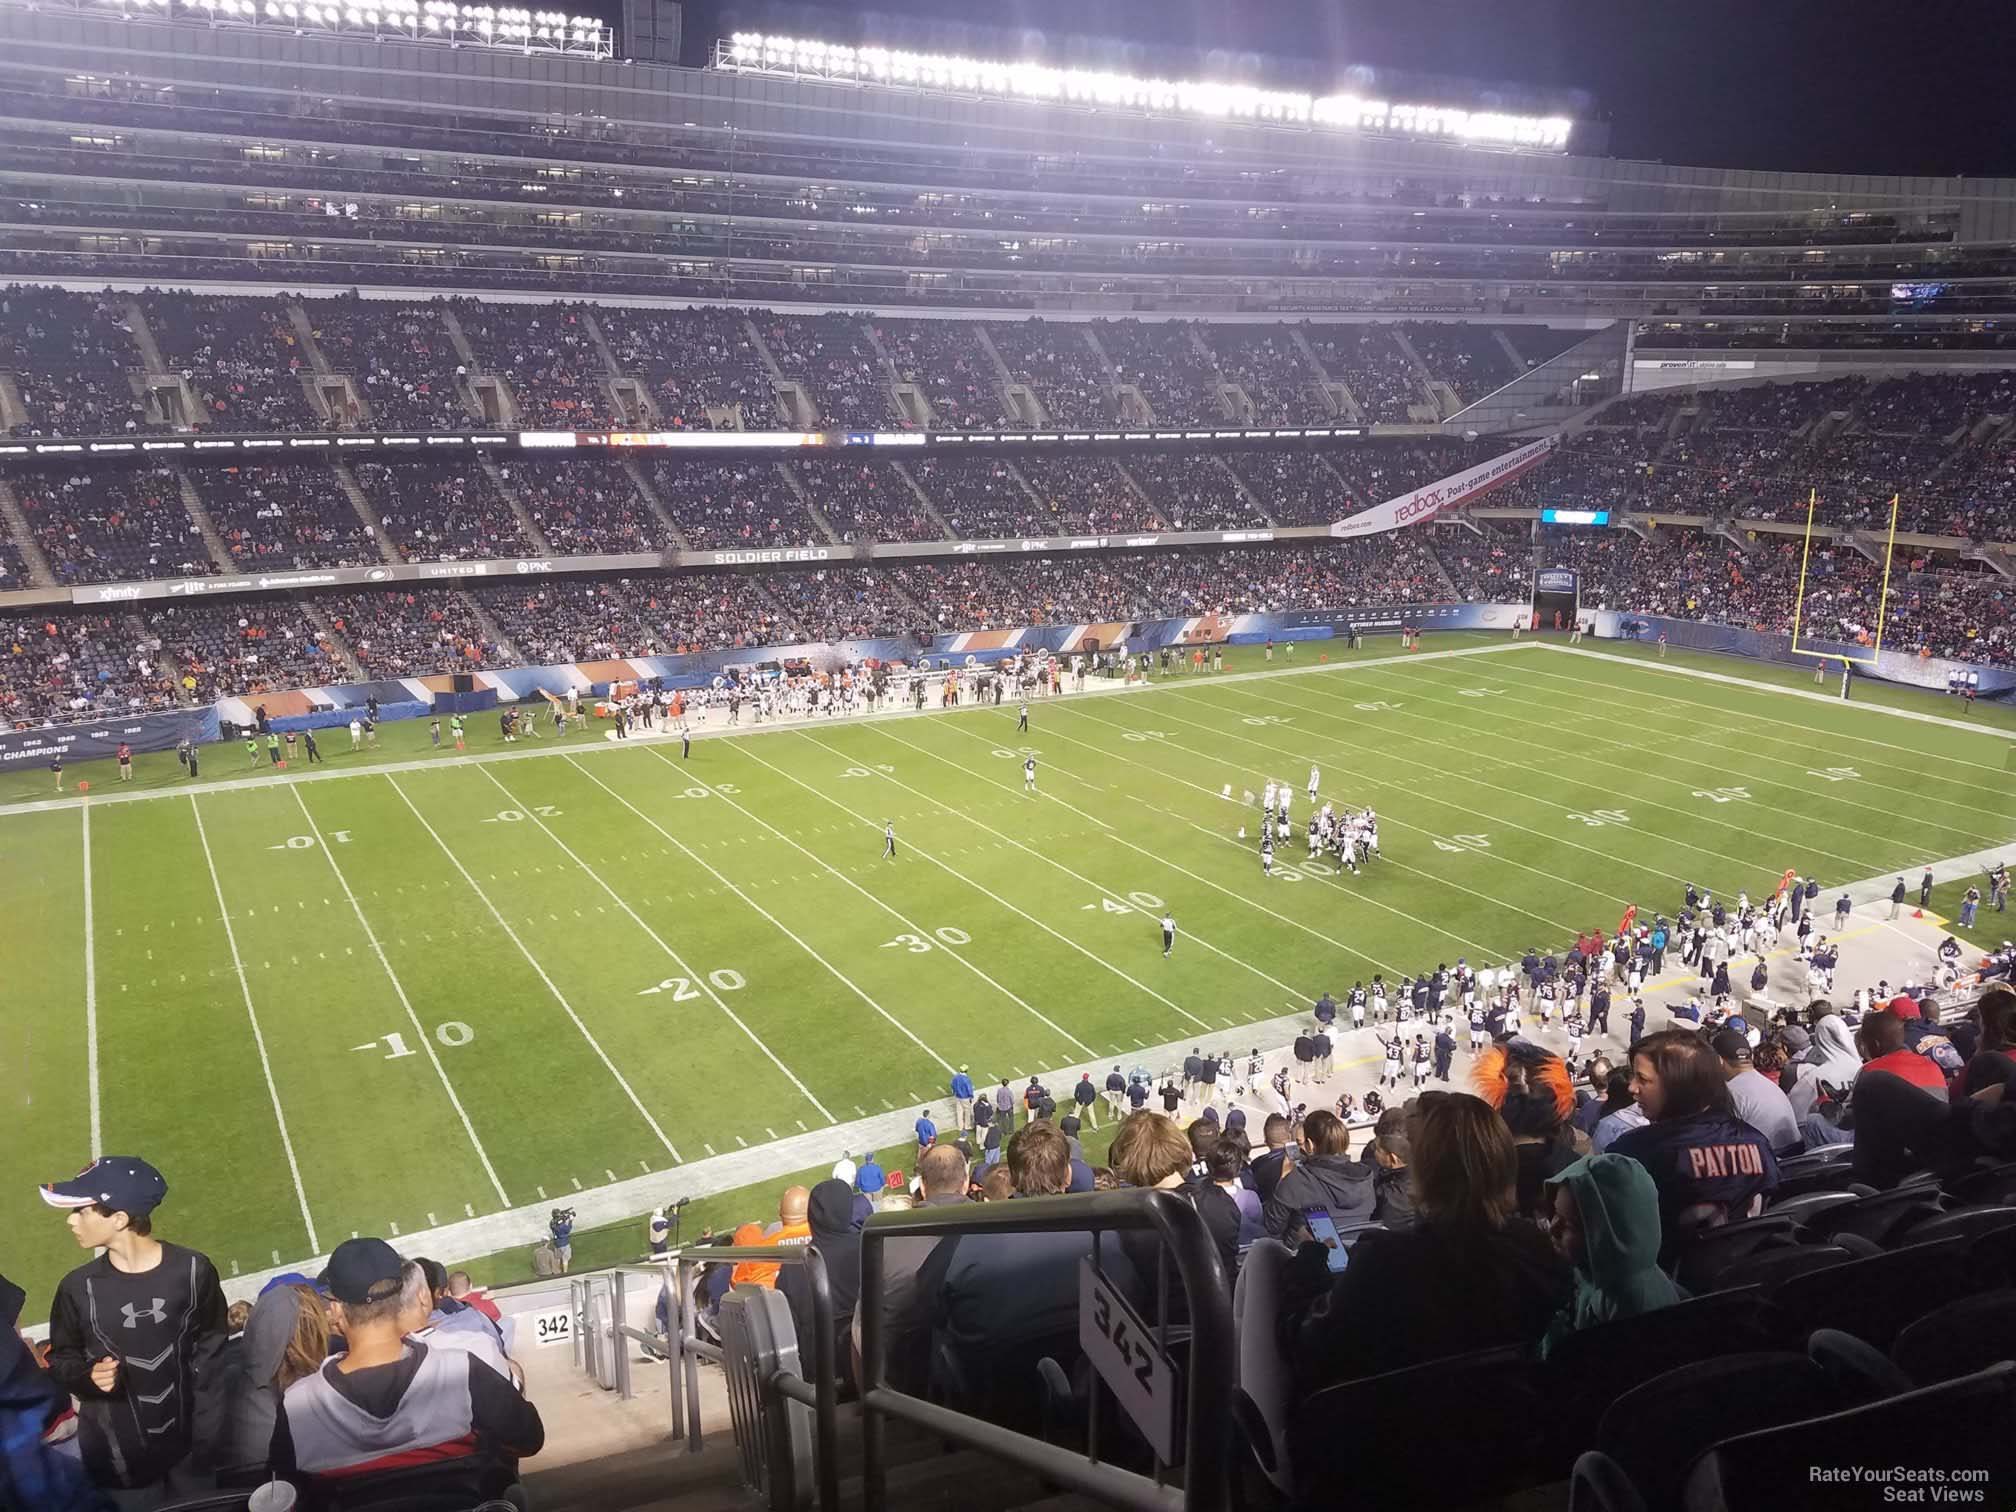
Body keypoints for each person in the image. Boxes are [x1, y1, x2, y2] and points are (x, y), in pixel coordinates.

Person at [1282, 1093, 1572, 1393]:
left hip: (1393, 1428)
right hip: (1510, 1421)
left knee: (1264, 1256)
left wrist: (1307, 1261)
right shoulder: (1539, 1252)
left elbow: (1307, 1344)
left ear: (1427, 1171)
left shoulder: (1384, 1259)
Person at [269, 1238, 543, 1507]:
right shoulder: (462, 1371)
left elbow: (281, 1495)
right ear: (401, 1299)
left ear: (337, 1310)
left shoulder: (297, 1405)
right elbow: (529, 1440)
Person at [40, 1156, 228, 1503]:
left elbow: (213, 1353)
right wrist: (86, 1376)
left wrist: (208, 1437)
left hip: (192, 1453)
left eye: (81, 1210)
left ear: (120, 1219)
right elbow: (61, 1359)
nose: (71, 1220)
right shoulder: (77, 1288)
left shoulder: (193, 1270)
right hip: (119, 1463)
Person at [1609, 1031, 1780, 1260]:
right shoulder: (1758, 1142)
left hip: (1671, 1284)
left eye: (1643, 1079)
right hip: (1743, 1274)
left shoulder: (1634, 1152)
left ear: (1679, 1086)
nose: (1631, 1087)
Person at [850, 1143, 968, 1394]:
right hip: (980, 1381)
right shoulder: (1001, 1225)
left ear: (923, 1187)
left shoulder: (884, 1241)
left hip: (906, 1386)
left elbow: (862, 1331)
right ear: (966, 1183)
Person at [1539, 1153, 1683, 1358]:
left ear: (1612, 1233)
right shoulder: (1592, 1276)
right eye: (1554, 1214)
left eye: (1569, 1224)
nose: (1553, 1228)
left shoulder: (1630, 1305)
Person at [777, 1181, 862, 1393]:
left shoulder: (793, 1266)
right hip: (870, 1365)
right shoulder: (870, 1247)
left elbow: (789, 1329)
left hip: (820, 1375)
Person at [1261, 1109, 1373, 1239]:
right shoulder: (1367, 1175)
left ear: (1309, 1145)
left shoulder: (1297, 1180)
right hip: (1359, 1252)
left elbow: (1272, 1226)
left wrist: (1284, 1177)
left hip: (1313, 1255)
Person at [1712, 1028, 1804, 1155]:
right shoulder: (1770, 1086)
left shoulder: (1731, 1093)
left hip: (1767, 1163)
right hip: (1790, 1159)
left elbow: (1717, 1145)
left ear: (1718, 1061)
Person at [949, 1064, 975, 1135]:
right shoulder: (966, 1079)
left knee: (959, 1111)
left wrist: (954, 1092)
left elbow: (951, 1084)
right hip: (965, 1097)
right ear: (966, 1070)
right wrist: (971, 1096)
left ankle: (960, 1126)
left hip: (957, 1096)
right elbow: (969, 1089)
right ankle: (967, 1125)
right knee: (967, 1111)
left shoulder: (955, 1077)